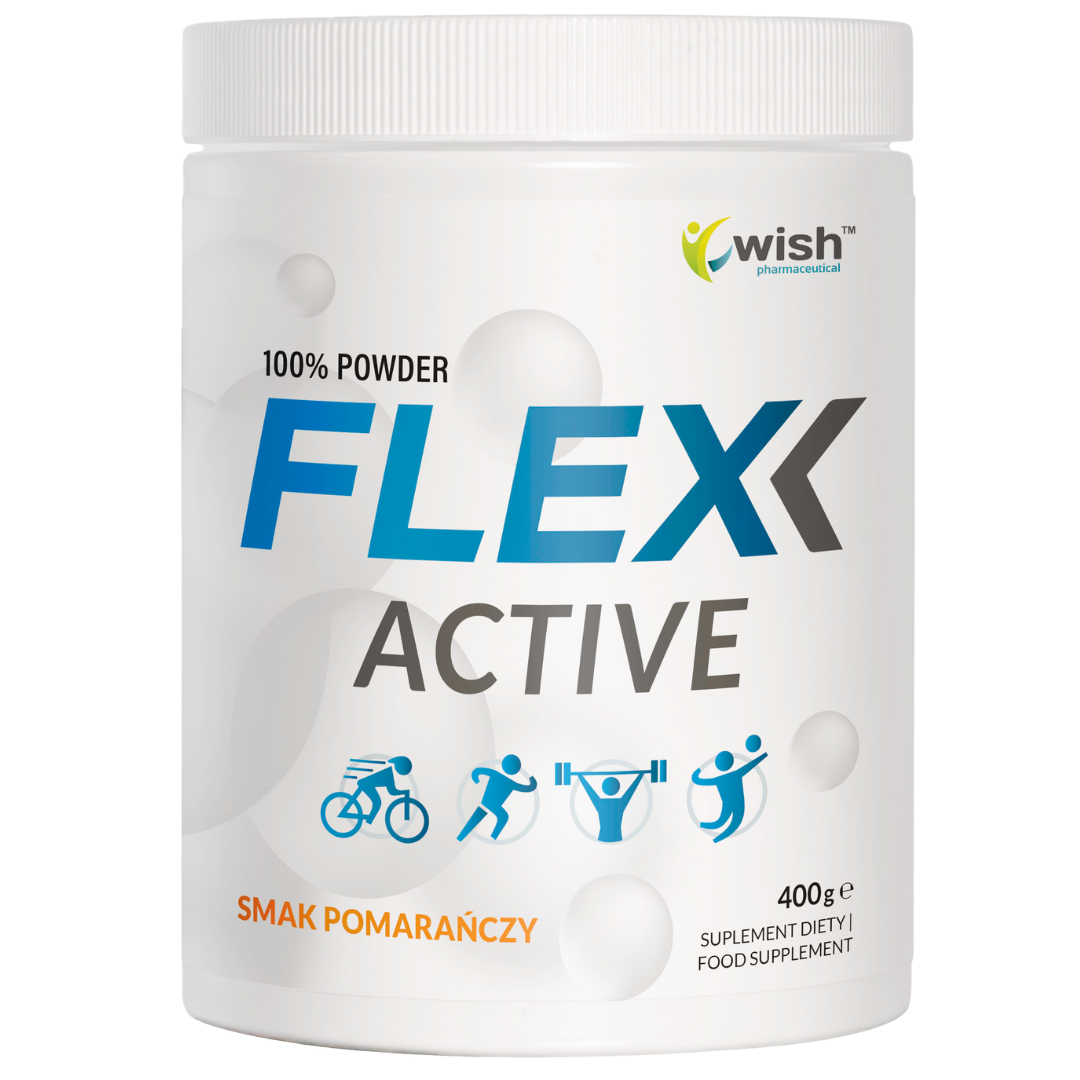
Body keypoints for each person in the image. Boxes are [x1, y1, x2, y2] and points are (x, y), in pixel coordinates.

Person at [692, 746, 767, 843]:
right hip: (738, 802)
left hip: (731, 802)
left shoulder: (720, 779)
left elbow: (697, 780)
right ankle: (713, 836)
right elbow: (750, 765)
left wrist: (699, 769)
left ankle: (711, 833)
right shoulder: (736, 774)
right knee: (731, 823)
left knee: (722, 822)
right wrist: (764, 755)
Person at [457, 754, 537, 841]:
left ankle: (490, 837)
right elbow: (529, 787)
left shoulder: (496, 775)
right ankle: (493, 836)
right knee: (503, 817)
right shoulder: (511, 783)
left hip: (488, 803)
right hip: (491, 804)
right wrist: (531, 778)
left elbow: (477, 771)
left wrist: (476, 780)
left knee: (501, 817)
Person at [579, 771, 644, 843]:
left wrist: (580, 777)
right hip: (616, 836)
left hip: (604, 836)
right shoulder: (619, 803)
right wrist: (640, 776)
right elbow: (631, 790)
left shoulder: (601, 803)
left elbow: (590, 791)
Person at [347, 756, 413, 826]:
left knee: (377, 802)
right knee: (377, 802)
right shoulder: (389, 773)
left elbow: (391, 790)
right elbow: (392, 791)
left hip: (365, 783)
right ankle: (368, 822)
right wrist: (404, 792)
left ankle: (369, 820)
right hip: (365, 784)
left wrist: (404, 792)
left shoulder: (389, 771)